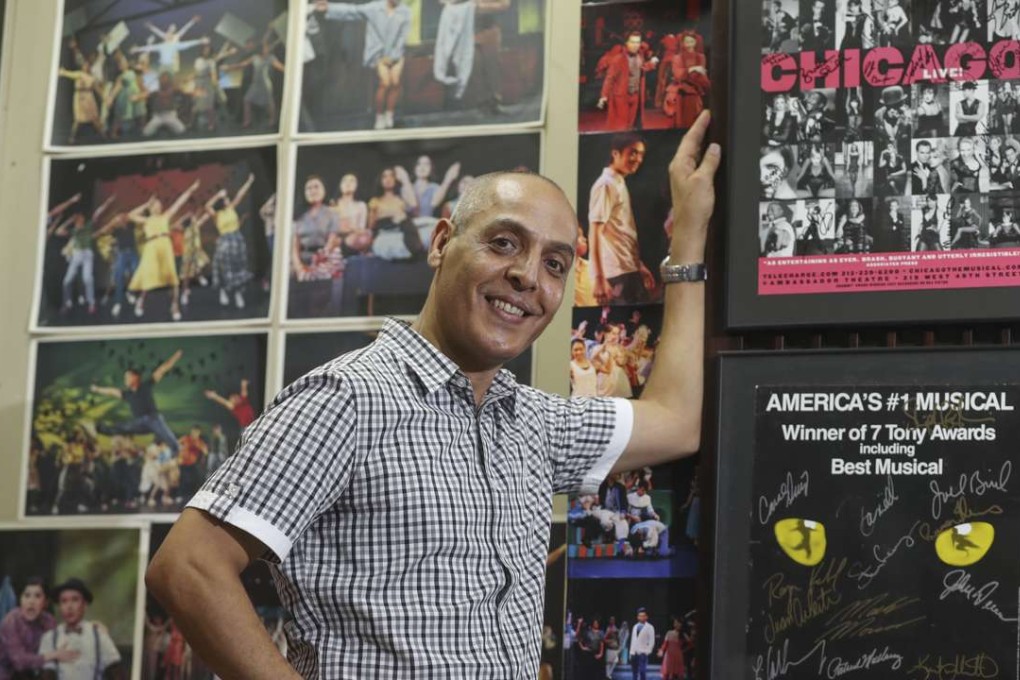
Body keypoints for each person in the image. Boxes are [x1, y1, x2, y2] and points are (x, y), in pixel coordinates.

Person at [146, 110, 719, 678]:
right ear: (442, 242)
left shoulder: (532, 424)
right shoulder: (346, 400)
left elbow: (674, 420)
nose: (527, 276)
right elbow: (188, 567)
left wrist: (688, 238)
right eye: (503, 243)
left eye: (554, 264)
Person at [314, 0, 412, 130]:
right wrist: (329, 7)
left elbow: (403, 36)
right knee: (385, 83)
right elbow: (352, 11)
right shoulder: (374, 8)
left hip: (396, 53)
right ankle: (379, 116)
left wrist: (394, 56)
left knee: (395, 83)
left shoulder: (405, 11)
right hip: (378, 53)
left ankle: (389, 114)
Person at [588, 133, 656, 304]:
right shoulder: (606, 184)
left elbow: (619, 231)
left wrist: (637, 264)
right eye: (633, 152)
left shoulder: (618, 182)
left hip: (626, 270)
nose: (638, 159)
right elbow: (595, 232)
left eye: (641, 154)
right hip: (615, 275)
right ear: (615, 153)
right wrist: (599, 278)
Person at [126, 181, 200, 320]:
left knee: (172, 278)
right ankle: (140, 302)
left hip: (165, 245)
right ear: (151, 207)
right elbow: (130, 215)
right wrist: (146, 204)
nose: (158, 206)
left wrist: (190, 189)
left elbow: (179, 202)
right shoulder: (145, 220)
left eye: (159, 204)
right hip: (151, 247)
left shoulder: (165, 216)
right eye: (155, 204)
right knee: (148, 277)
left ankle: (175, 307)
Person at [90, 349, 184, 456]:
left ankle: (171, 455)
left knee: (172, 442)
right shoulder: (128, 394)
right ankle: (99, 428)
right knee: (121, 427)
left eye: (127, 377)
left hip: (154, 419)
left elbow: (162, 369)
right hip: (139, 423)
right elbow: (112, 391)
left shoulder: (146, 385)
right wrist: (97, 389)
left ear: (135, 377)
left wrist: (175, 357)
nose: (125, 380)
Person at [38, 579, 124, 680]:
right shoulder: (50, 638)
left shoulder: (98, 635)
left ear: (84, 604)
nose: (69, 607)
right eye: (64, 601)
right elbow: (47, 675)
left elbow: (116, 672)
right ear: (59, 606)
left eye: (75, 600)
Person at [0, 578, 78, 678]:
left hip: (33, 674)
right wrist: (52, 655)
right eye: (27, 596)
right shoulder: (11, 621)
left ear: (45, 603)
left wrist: (93, 626)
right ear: (21, 600)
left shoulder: (49, 621)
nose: (31, 602)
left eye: (37, 596)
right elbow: (19, 661)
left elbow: (60, 642)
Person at [205, 173, 256, 310]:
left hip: (237, 239)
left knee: (240, 266)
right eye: (226, 199)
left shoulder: (231, 208)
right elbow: (207, 206)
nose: (228, 200)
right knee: (225, 268)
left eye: (227, 198)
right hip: (225, 241)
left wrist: (249, 182)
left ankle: (238, 294)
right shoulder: (216, 215)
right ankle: (224, 291)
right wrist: (219, 195)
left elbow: (240, 194)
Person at [597, 31, 659, 130]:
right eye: (632, 42)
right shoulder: (618, 59)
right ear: (626, 43)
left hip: (635, 95)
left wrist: (651, 63)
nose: (635, 45)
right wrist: (603, 96)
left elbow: (641, 68)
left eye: (638, 42)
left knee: (631, 125)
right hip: (621, 96)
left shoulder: (640, 56)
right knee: (620, 125)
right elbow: (609, 78)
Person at [668, 31, 709, 129]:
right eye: (687, 41)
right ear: (683, 43)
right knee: (682, 121)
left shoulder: (701, 57)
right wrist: (692, 69)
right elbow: (677, 74)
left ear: (695, 42)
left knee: (695, 120)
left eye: (691, 41)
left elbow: (701, 75)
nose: (689, 44)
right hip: (682, 93)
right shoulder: (677, 58)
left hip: (695, 92)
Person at [629, 608, 656, 680]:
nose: (641, 617)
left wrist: (648, 651)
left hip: (643, 653)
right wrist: (631, 652)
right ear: (637, 617)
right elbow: (633, 640)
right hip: (634, 653)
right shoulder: (634, 626)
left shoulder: (650, 627)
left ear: (646, 617)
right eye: (640, 616)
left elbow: (652, 641)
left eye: (643, 616)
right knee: (634, 673)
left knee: (642, 672)